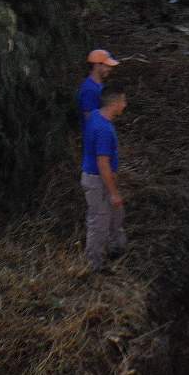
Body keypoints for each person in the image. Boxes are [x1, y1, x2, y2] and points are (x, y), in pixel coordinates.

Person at [81, 84, 128, 272]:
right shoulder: (104, 130)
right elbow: (103, 164)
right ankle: (95, 265)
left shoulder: (95, 116)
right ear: (115, 103)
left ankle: (115, 248)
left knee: (115, 214)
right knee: (99, 222)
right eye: (123, 101)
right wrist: (114, 192)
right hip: (97, 181)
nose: (125, 105)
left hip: (99, 179)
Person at [77, 49, 119, 132]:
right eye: (107, 65)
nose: (110, 69)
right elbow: (89, 118)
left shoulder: (98, 86)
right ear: (97, 65)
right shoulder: (89, 89)